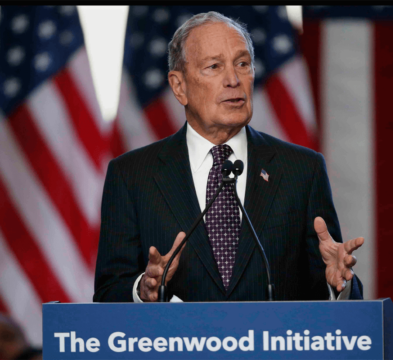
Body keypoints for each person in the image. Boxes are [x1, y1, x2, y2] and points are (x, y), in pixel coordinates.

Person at [94, 11, 364, 303]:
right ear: (179, 86)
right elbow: (108, 294)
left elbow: (332, 290)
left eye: (243, 64)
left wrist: (339, 283)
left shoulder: (302, 170)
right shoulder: (131, 176)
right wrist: (143, 289)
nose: (233, 79)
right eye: (214, 66)